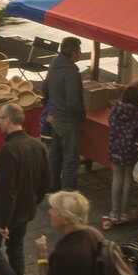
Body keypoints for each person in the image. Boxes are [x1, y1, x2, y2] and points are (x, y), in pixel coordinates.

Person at [0, 102, 52, 275]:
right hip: (26, 209)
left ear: (9, 120)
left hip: (7, 211)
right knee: (15, 248)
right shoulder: (38, 145)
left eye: (0, 119)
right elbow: (46, 182)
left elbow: (7, 190)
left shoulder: (9, 150)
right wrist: (34, 201)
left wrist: (2, 222)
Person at [45, 37, 86, 191]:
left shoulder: (54, 64)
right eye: (80, 50)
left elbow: (45, 89)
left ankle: (52, 185)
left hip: (55, 117)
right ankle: (68, 193)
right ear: (74, 52)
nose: (81, 53)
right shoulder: (71, 72)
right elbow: (73, 102)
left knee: (55, 155)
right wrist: (81, 115)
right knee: (70, 159)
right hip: (68, 120)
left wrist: (51, 108)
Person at [106, 87, 138, 225]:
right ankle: (124, 213)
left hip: (115, 149)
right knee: (128, 180)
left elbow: (110, 123)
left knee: (116, 180)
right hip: (131, 152)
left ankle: (114, 212)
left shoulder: (115, 111)